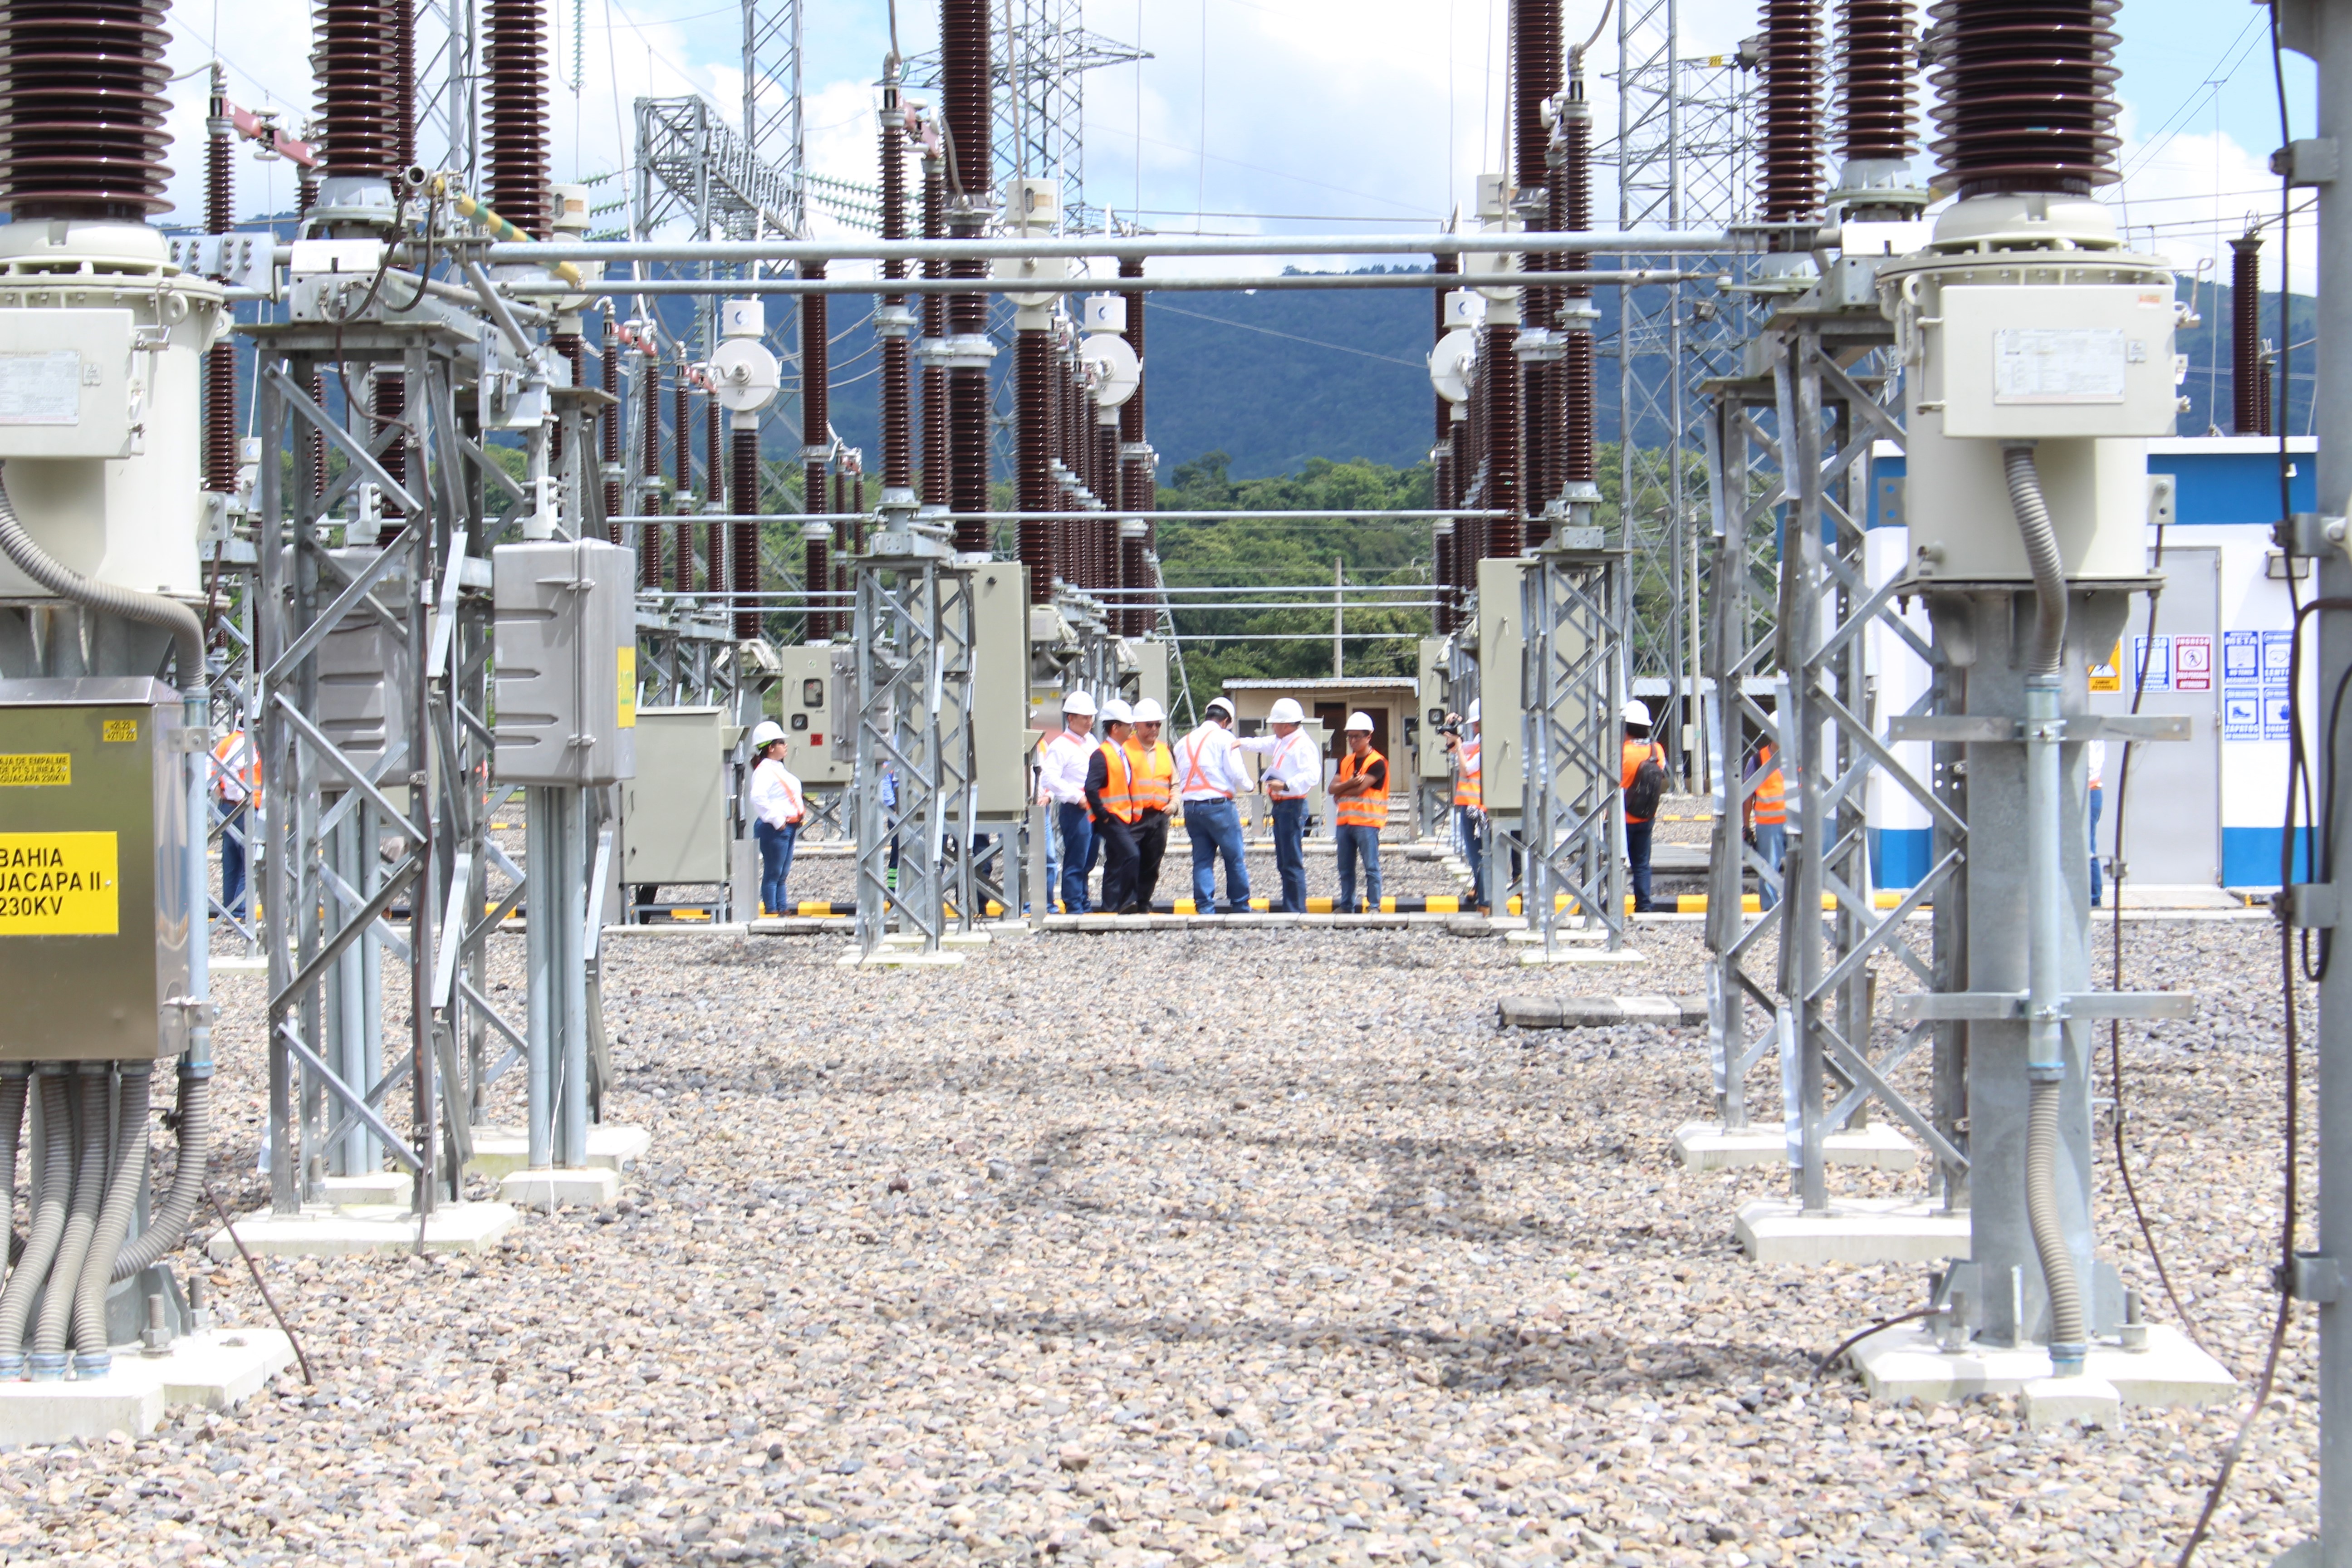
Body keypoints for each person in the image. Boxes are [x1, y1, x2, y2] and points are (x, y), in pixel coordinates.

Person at [1171, 696, 1254, 913]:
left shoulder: (1183, 742)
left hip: (1191, 808)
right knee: (1234, 857)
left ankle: (1205, 908)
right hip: (1218, 806)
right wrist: (1250, 786)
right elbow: (1236, 772)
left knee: (1202, 859)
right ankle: (1240, 905)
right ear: (1226, 721)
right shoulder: (1225, 738)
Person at [1241, 696, 1319, 913]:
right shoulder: (1284, 741)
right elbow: (1263, 744)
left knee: (1291, 861)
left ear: (1286, 724)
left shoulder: (1302, 745)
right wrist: (1240, 743)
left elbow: (1313, 775)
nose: (1272, 727)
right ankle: (1291, 907)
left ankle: (1296, 910)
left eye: (1275, 723)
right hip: (1283, 806)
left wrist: (1285, 785)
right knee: (1285, 861)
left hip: (1292, 805)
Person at [1039, 692, 1099, 913]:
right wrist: (1077, 796)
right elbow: (1050, 778)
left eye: (1091, 717)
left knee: (1090, 857)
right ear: (1071, 718)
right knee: (1077, 857)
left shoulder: (1091, 741)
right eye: (1085, 717)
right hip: (1076, 808)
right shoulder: (1060, 746)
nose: (1089, 722)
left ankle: (1082, 899)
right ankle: (1074, 903)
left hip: (1093, 806)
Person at [1330, 711, 1388, 913]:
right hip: (1345, 822)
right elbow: (1331, 788)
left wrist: (1342, 789)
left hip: (1367, 823)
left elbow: (1360, 789)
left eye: (1357, 737)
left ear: (1368, 736)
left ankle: (1374, 905)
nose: (1352, 741)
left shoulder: (1378, 762)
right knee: (1345, 868)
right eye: (1350, 737)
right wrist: (1349, 784)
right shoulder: (1346, 761)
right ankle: (1347, 905)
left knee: (1371, 867)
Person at [747, 720, 806, 917]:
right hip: (775, 828)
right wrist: (777, 820)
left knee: (782, 872)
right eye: (781, 742)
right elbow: (758, 797)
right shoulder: (765, 770)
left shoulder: (776, 768)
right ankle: (772, 910)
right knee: (774, 872)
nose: (785, 745)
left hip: (787, 827)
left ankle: (782, 908)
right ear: (771, 748)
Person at [1084, 699, 1140, 911]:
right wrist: (1103, 815)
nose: (1132, 729)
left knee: (1115, 862)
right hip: (1111, 817)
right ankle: (1127, 902)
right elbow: (1091, 788)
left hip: (1122, 816)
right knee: (1132, 855)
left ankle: (1111, 906)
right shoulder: (1102, 754)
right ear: (1115, 728)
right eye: (1128, 725)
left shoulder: (1121, 753)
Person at [1125, 698, 1177, 912]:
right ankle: (1128, 901)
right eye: (1150, 725)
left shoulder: (1164, 750)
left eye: (1158, 724)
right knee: (1130, 858)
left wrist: (1174, 804)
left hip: (1159, 816)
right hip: (1133, 816)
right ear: (1136, 725)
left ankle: (1144, 901)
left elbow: (1175, 783)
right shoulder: (1126, 749)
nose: (1154, 729)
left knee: (1152, 861)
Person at [1621, 699, 1667, 913]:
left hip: (1623, 817)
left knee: (1616, 862)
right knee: (1642, 864)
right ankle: (1644, 905)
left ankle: (1614, 903)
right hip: (1647, 814)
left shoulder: (1622, 752)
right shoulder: (1657, 751)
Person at [210, 724, 259, 922]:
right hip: (242, 808)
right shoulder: (245, 743)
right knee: (249, 863)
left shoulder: (228, 740)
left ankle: (231, 909)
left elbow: (209, 763)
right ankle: (240, 911)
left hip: (226, 807)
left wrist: (216, 787)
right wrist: (240, 797)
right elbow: (230, 770)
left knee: (232, 863)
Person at [1744, 738, 1786, 912]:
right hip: (1769, 824)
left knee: (1802, 866)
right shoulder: (1758, 760)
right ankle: (1770, 909)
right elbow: (1747, 796)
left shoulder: (1798, 756)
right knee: (1769, 868)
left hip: (1797, 822)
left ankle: (1799, 905)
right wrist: (1746, 826)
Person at [1452, 700, 1487, 911]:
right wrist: (1454, 738)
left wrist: (1458, 745)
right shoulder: (1477, 741)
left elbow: (1466, 769)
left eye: (1477, 723)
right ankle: (1483, 896)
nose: (1474, 727)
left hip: (1477, 808)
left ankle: (1486, 901)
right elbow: (1460, 757)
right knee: (1475, 857)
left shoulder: (1486, 745)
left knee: (1478, 857)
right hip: (1469, 805)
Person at [2088, 740, 2106, 907]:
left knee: (2086, 849)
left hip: (2088, 790)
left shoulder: (2088, 733)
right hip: (2091, 790)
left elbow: (2088, 766)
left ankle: (2094, 900)